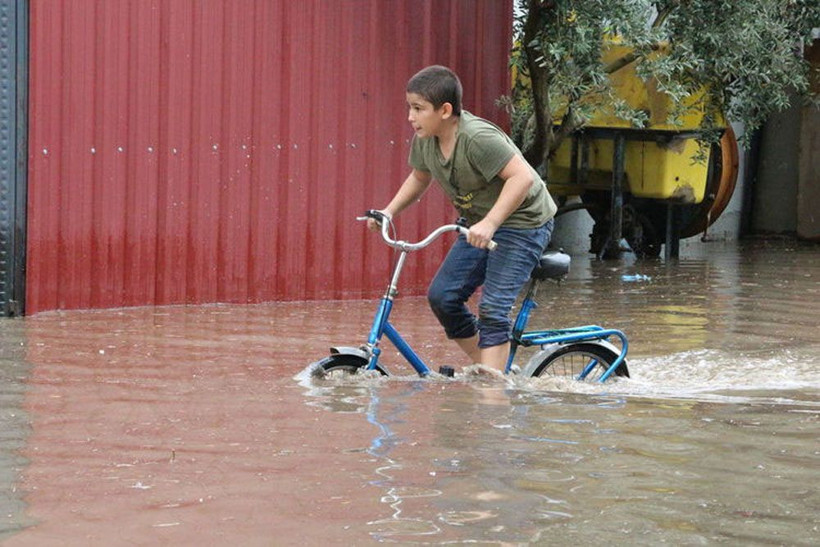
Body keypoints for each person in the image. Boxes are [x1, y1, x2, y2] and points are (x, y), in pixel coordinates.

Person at [368, 65, 557, 372]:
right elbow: (419, 178)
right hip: (479, 222)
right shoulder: (426, 138)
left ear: (444, 110)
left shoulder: (477, 138)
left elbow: (523, 178)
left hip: (524, 223)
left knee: (493, 308)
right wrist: (388, 211)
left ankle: (493, 402)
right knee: (443, 297)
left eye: (418, 109)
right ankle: (490, 370)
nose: (410, 117)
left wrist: (491, 223)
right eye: (409, 108)